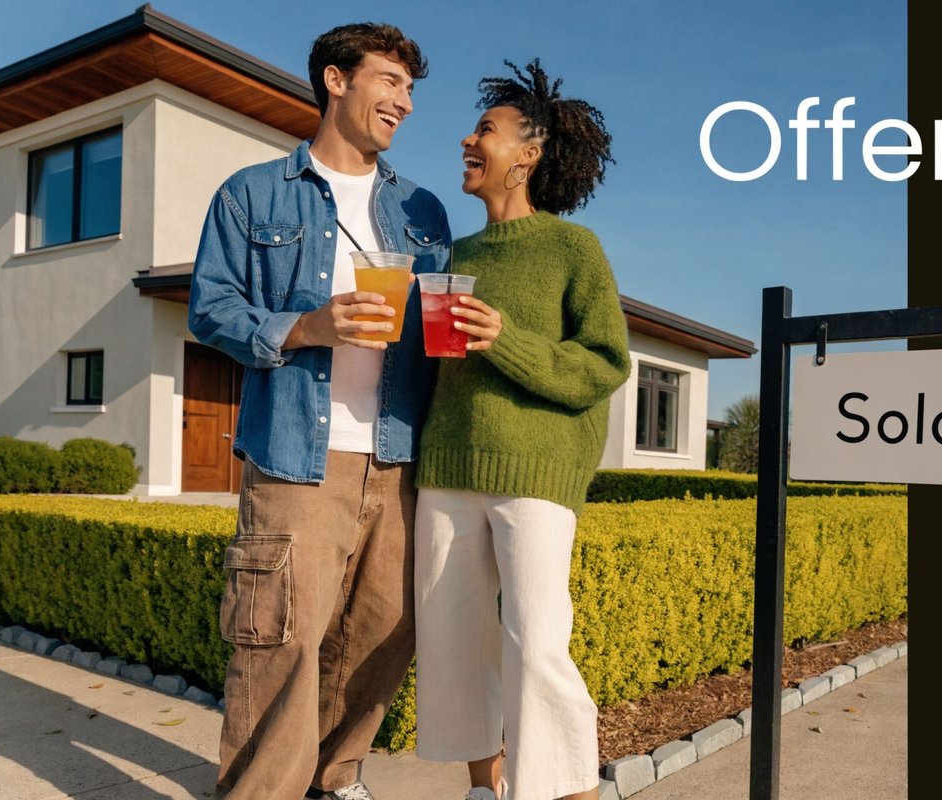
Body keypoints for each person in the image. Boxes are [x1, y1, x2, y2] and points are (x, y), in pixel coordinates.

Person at [187, 22, 450, 800]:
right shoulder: (253, 193)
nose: (403, 102)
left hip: (400, 458)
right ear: (336, 81)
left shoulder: (425, 211)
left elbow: (437, 318)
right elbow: (210, 308)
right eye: (389, 82)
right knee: (281, 644)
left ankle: (335, 781)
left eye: (409, 89)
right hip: (299, 456)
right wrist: (306, 327)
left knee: (377, 638)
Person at [412, 58, 628, 800]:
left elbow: (602, 365)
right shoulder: (455, 257)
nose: (468, 140)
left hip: (536, 473)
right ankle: (484, 785)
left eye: (486, 129)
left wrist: (503, 338)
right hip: (446, 466)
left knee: (536, 644)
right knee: (453, 639)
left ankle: (571, 791)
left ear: (528, 155)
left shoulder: (573, 250)